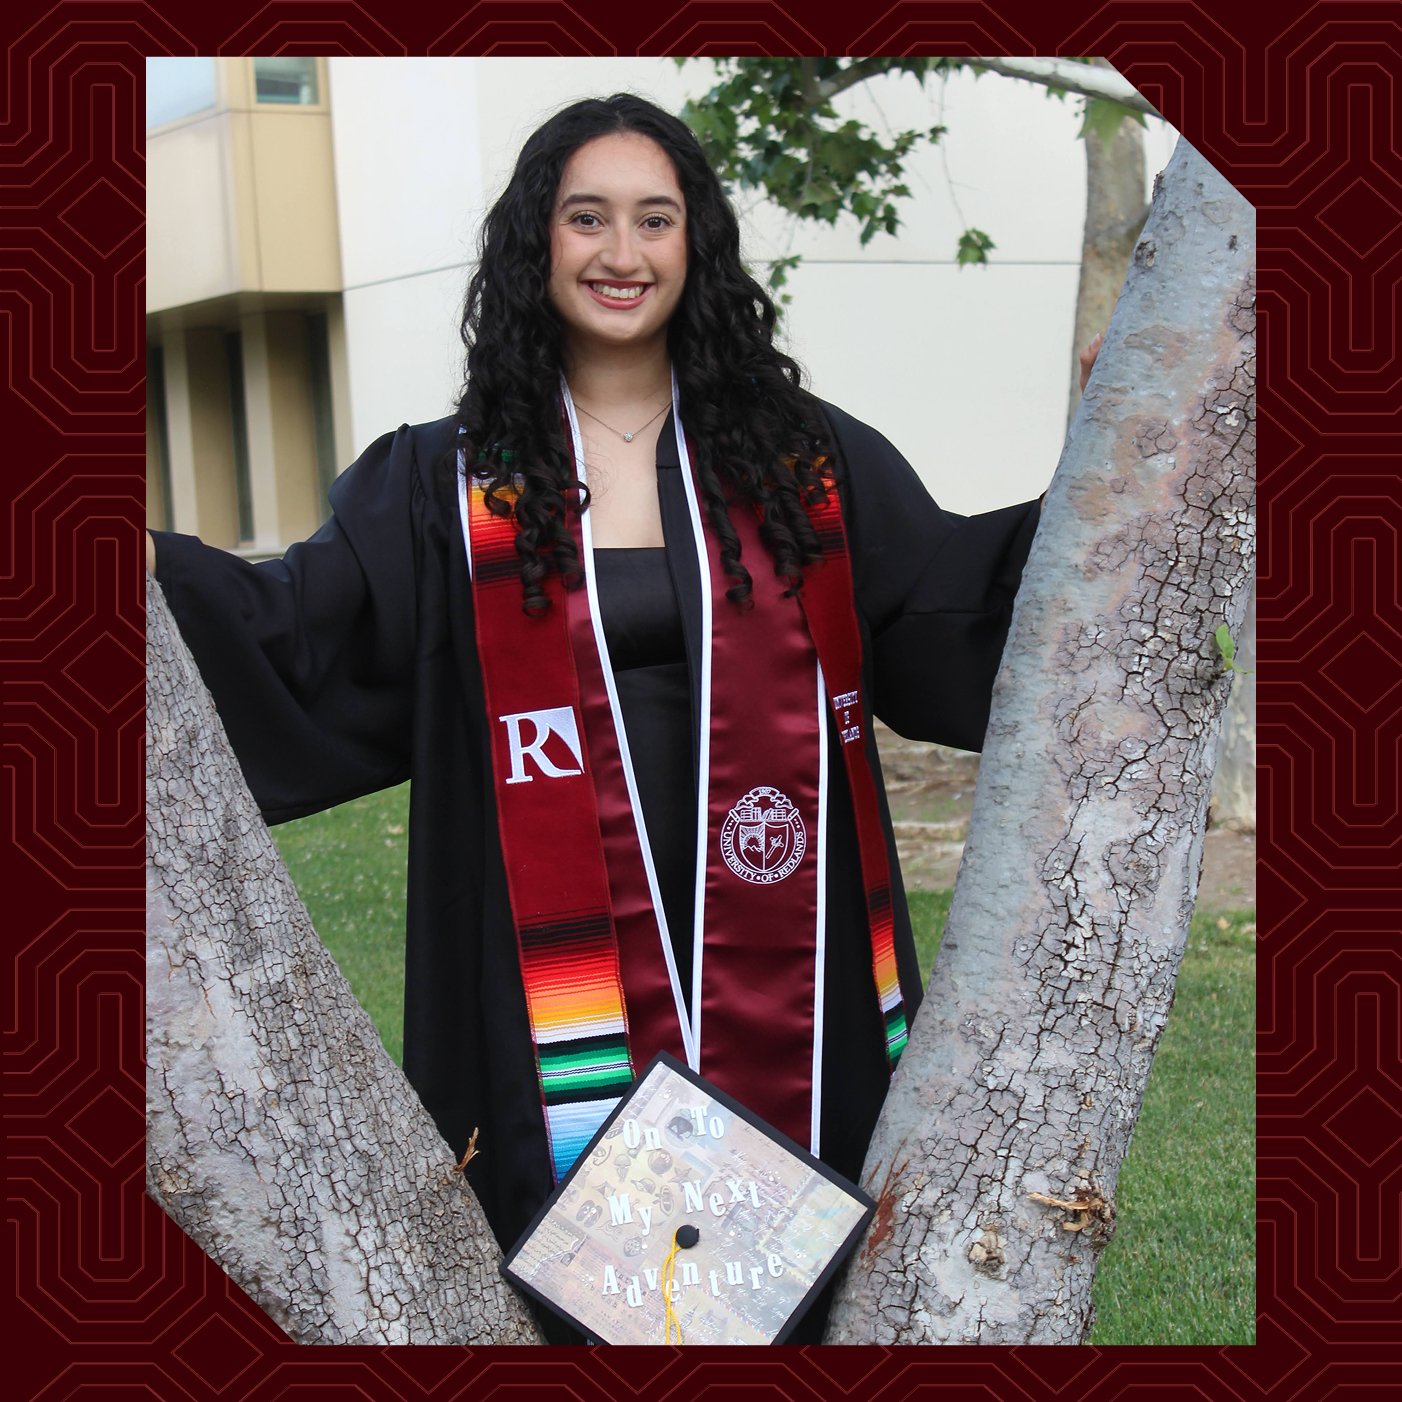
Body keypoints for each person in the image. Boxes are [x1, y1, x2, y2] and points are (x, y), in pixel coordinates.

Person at [147, 93, 1095, 1343]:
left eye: (654, 219)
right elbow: (298, 633)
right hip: (544, 961)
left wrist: (1100, 482)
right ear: (536, 243)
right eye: (585, 218)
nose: (621, 252)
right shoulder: (447, 482)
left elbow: (948, 606)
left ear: (694, 244)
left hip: (785, 935)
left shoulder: (799, 462)